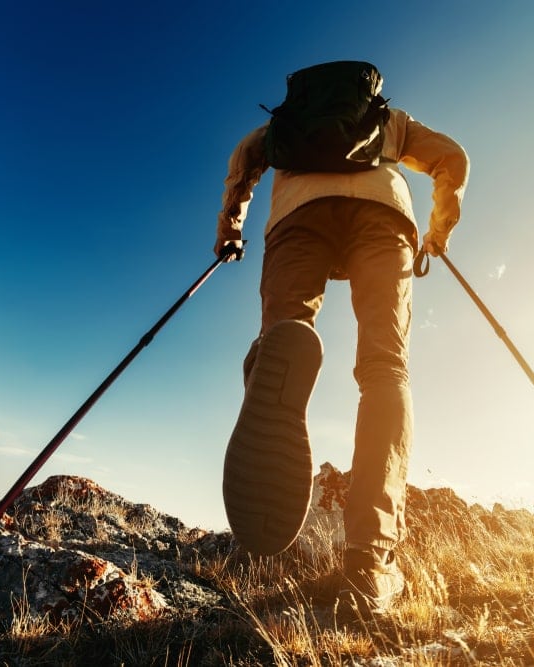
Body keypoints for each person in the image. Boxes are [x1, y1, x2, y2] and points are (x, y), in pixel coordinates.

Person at [215, 62, 469, 614]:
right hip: (384, 215)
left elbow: (243, 161)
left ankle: (273, 367)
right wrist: (438, 231)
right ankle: (369, 563)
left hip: (296, 218)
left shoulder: (282, 127)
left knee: (284, 334)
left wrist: (230, 229)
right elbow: (453, 158)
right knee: (385, 370)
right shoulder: (391, 122)